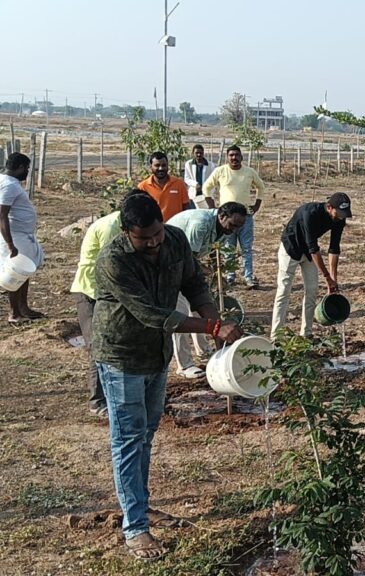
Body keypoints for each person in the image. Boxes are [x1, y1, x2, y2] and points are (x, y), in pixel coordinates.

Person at [92, 193, 241, 561]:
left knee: (146, 433)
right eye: (145, 238)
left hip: (156, 356)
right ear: (128, 233)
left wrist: (214, 319)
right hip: (122, 354)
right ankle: (136, 528)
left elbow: (194, 284)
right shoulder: (113, 260)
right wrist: (209, 325)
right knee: (128, 438)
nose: (154, 242)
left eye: (157, 233)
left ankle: (137, 506)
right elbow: (151, 314)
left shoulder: (174, 239)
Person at [70, 189, 149, 416]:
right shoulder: (110, 228)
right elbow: (112, 266)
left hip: (110, 291)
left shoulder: (129, 226)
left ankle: (118, 393)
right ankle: (98, 402)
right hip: (91, 291)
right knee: (98, 346)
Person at [166, 202, 248, 377]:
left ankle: (204, 351)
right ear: (222, 216)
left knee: (199, 310)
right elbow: (190, 261)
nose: (234, 230)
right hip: (171, 267)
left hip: (187, 267)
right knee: (181, 314)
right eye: (233, 225)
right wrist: (207, 272)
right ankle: (184, 365)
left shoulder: (224, 228)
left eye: (239, 227)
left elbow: (209, 252)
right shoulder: (200, 224)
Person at [271, 193, 351, 338]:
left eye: (343, 214)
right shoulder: (310, 213)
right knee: (284, 290)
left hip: (308, 253)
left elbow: (334, 248)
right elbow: (313, 248)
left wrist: (333, 280)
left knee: (312, 290)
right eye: (338, 213)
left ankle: (306, 333)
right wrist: (327, 277)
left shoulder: (340, 219)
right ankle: (276, 336)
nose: (340, 217)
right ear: (329, 207)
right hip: (291, 249)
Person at [202, 145, 266, 288]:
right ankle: (231, 276)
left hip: (246, 218)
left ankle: (248, 277)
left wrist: (256, 205)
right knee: (228, 248)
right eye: (231, 155)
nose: (234, 157)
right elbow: (206, 188)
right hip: (227, 219)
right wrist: (213, 207)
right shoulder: (220, 171)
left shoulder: (249, 172)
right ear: (227, 157)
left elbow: (261, 187)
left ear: (241, 157)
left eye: (237, 155)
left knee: (247, 248)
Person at [0, 152, 43, 324]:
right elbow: (2, 215)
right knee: (15, 273)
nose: (27, 171)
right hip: (15, 237)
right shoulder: (9, 185)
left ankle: (23, 307)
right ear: (19, 167)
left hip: (21, 236)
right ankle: (14, 313)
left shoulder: (9, 182)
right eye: (26, 168)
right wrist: (10, 244)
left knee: (24, 271)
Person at [137, 151, 190, 222]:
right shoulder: (143, 187)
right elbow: (141, 211)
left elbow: (186, 208)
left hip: (175, 228)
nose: (161, 168)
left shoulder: (179, 184)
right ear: (151, 167)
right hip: (154, 230)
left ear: (168, 166)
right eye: (157, 165)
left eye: (164, 165)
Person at [183, 144, 217, 209]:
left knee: (205, 212)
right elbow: (187, 178)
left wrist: (205, 187)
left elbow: (213, 180)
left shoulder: (210, 165)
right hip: (193, 194)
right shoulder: (189, 164)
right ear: (193, 153)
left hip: (207, 194)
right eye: (196, 153)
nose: (199, 155)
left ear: (203, 153)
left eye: (200, 153)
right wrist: (195, 184)